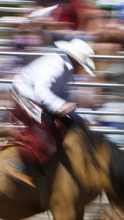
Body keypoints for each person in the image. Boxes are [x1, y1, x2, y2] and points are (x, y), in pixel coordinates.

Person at [9, 38, 95, 186]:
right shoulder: (57, 65)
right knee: (44, 127)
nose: (82, 69)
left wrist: (77, 117)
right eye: (82, 65)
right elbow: (42, 91)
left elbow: (59, 96)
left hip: (35, 97)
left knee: (65, 126)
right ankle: (19, 166)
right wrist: (61, 106)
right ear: (76, 60)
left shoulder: (64, 68)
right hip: (24, 94)